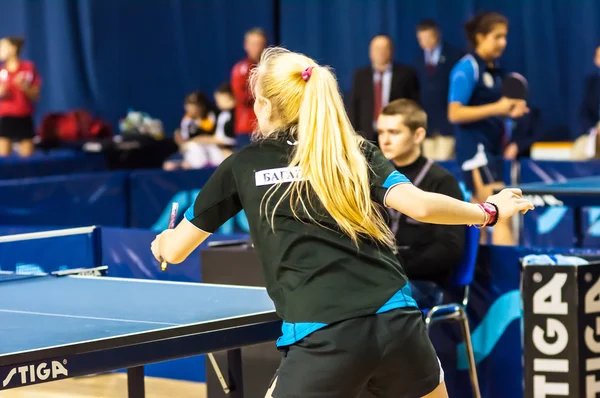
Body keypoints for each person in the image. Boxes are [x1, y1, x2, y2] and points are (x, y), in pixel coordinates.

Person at [151, 47, 534, 398]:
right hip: (399, 324)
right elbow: (419, 205)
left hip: (324, 338)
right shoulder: (354, 151)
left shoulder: (242, 165)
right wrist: (491, 212)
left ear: (264, 105)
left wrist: (162, 244)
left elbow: (177, 249)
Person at [448, 12, 529, 245]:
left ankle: (480, 278)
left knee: (481, 217)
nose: (503, 42)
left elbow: (491, 110)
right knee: (502, 215)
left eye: (505, 37)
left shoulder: (493, 69)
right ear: (480, 37)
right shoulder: (466, 68)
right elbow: (454, 113)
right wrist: (498, 107)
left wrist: (508, 111)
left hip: (491, 149)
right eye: (497, 37)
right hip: (476, 152)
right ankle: (510, 281)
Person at [377, 99, 465, 309]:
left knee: (372, 303)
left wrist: (398, 267)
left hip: (425, 283)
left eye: (394, 132)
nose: (385, 140)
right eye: (381, 132)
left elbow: (449, 249)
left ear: (418, 135)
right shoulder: (377, 178)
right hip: (383, 278)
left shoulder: (442, 182)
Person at [349, 35, 420, 142]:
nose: (381, 52)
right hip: (366, 136)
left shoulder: (406, 74)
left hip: (396, 135)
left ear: (392, 50)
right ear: (370, 52)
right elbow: (354, 107)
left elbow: (412, 106)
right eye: (377, 49)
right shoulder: (360, 76)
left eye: (385, 48)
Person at [414, 20, 465, 161]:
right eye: (420, 39)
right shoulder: (418, 60)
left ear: (437, 35)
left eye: (427, 37)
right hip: (427, 126)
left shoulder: (455, 56)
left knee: (445, 163)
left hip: (447, 124)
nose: (424, 42)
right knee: (428, 166)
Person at [0, 36, 41, 157]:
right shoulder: (1, 72)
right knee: (3, 161)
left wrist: (25, 87)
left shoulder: (28, 68)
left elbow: (36, 95)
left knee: (27, 161)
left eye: (2, 47)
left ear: (13, 49)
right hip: (5, 120)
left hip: (24, 119)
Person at [231, 28, 267, 148]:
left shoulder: (271, 68)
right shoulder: (240, 69)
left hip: (267, 128)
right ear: (246, 46)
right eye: (253, 44)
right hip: (247, 130)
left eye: (260, 44)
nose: (257, 48)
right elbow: (242, 97)